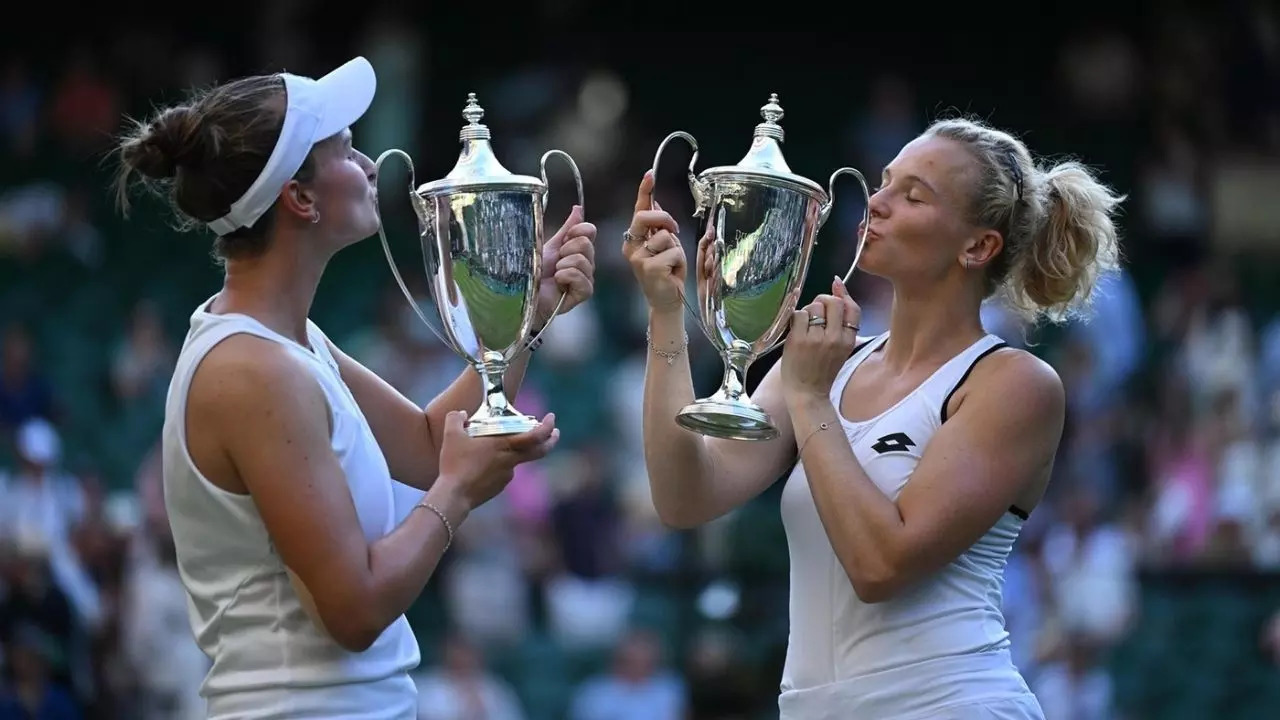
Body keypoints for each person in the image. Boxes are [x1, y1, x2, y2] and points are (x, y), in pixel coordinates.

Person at [112, 56, 597, 718]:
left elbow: (428, 444)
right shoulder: (255, 370)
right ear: (300, 198)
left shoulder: (290, 343)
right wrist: (458, 494)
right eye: (344, 149)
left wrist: (527, 312)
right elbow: (356, 608)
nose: (369, 163)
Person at [624, 116, 1123, 719]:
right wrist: (666, 312)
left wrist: (810, 400)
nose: (878, 202)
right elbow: (684, 497)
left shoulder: (1015, 384)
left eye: (914, 195)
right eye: (885, 182)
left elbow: (881, 565)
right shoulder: (821, 364)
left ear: (978, 246)